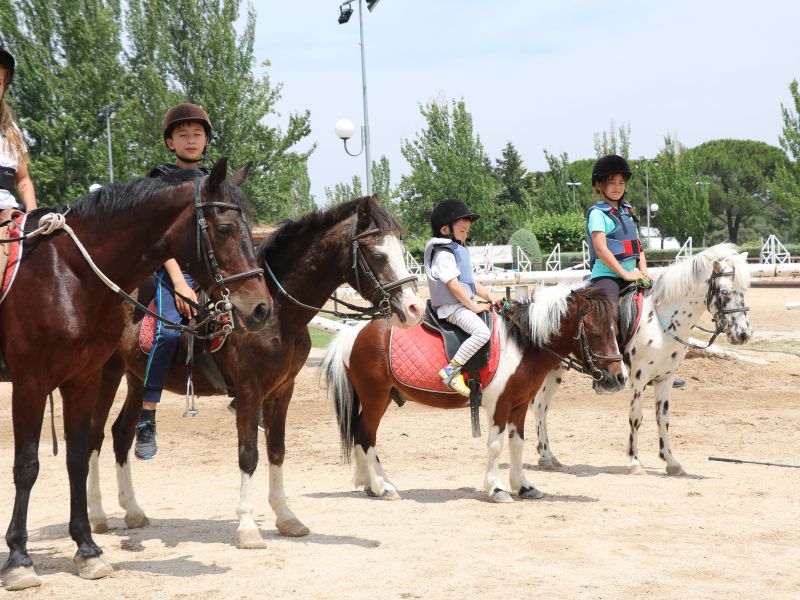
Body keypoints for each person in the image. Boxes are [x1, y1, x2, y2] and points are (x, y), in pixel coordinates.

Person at [134, 103, 212, 460]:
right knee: (166, 332)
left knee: (249, 318)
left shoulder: (214, 182)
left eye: (197, 134)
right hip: (172, 271)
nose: (191, 140)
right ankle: (147, 416)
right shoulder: (160, 182)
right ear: (170, 142)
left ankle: (247, 395)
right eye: (183, 135)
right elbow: (158, 238)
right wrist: (181, 284)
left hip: (211, 270)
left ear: (206, 140)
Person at [586, 154, 684, 388]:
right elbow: (601, 250)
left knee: (663, 308)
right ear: (600, 185)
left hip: (632, 273)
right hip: (607, 275)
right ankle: (602, 374)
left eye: (621, 183)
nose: (618, 187)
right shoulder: (597, 214)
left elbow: (637, 245)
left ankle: (661, 366)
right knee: (607, 316)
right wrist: (625, 273)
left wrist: (643, 270)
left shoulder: (627, 211)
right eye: (612, 183)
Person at [423, 199, 498, 397]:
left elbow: (470, 283)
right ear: (446, 230)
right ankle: (451, 371)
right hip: (452, 308)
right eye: (462, 231)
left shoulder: (456, 251)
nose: (465, 236)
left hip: (460, 305)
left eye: (467, 232)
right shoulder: (443, 254)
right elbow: (454, 286)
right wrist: (474, 306)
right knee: (482, 333)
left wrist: (489, 295)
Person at [0, 46, 37, 220]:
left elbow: (23, 180)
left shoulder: (12, 131)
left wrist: (33, 215)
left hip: (8, 214)